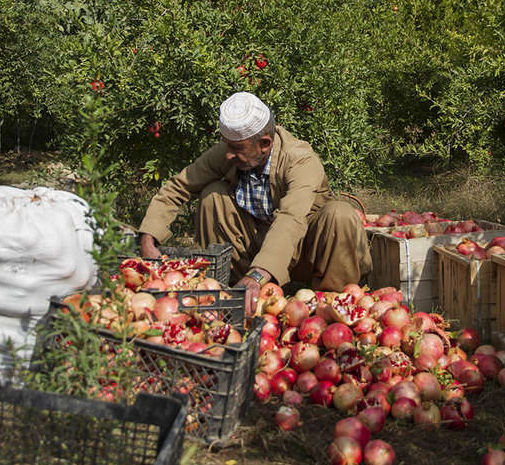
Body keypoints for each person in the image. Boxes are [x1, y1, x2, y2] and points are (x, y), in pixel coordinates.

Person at [137, 92, 372, 314]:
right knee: (212, 194)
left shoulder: (300, 160)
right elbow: (181, 185)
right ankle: (227, 291)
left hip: (302, 249)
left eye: (236, 148)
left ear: (265, 143)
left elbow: (290, 220)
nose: (228, 154)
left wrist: (258, 275)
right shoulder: (232, 151)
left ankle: (330, 307)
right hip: (254, 245)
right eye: (226, 144)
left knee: (340, 215)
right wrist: (148, 238)